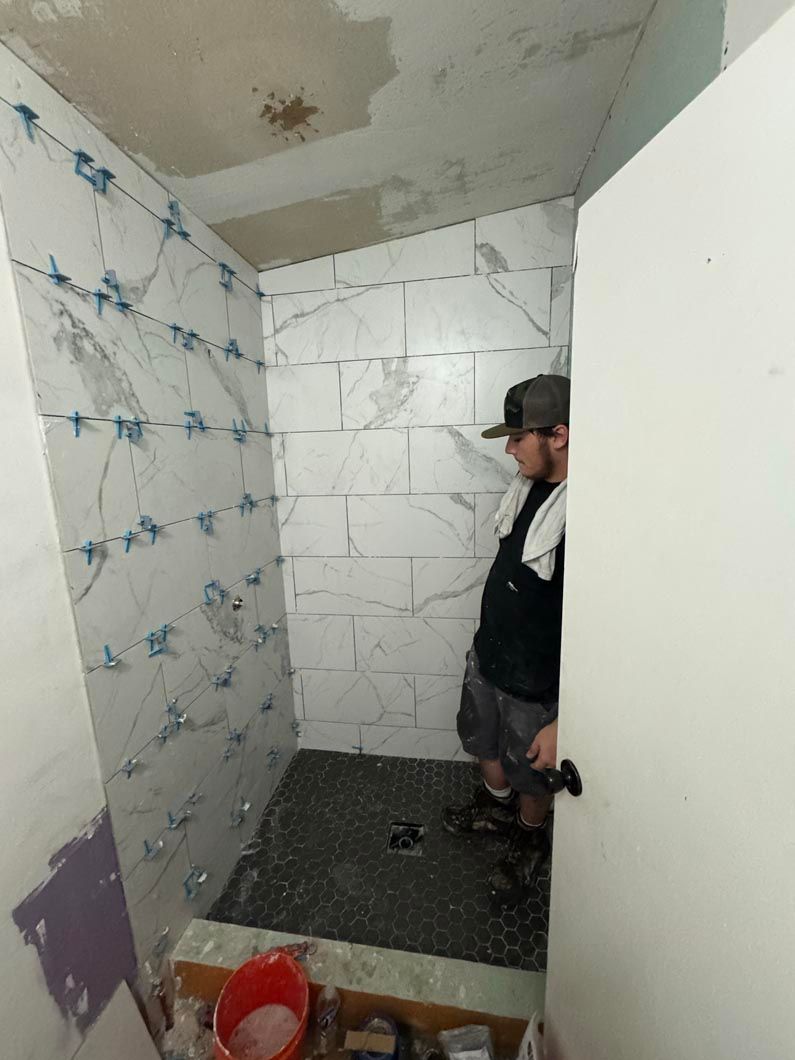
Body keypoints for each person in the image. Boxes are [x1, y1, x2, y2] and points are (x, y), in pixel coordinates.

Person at [442, 374, 569, 903]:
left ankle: (529, 838)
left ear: (558, 435)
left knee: (532, 775)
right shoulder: (527, 489)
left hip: (535, 682)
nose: (510, 448)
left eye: (519, 437)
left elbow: (604, 637)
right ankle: (497, 809)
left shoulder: (592, 514)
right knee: (481, 742)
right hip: (490, 655)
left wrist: (567, 718)